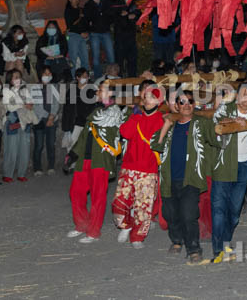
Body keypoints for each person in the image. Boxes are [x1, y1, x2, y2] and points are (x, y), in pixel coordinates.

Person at [202, 81, 247, 262]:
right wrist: (228, 122)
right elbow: (213, 127)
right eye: (243, 94)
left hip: (244, 167)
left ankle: (226, 240)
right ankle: (218, 248)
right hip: (223, 166)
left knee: (235, 211)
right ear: (236, 96)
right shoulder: (225, 110)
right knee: (218, 209)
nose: (246, 98)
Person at [151, 88, 210, 264]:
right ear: (176, 105)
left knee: (189, 214)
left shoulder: (201, 123)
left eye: (190, 102)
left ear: (194, 105)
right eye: (182, 102)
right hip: (169, 178)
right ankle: (176, 241)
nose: (186, 105)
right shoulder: (170, 125)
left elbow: (216, 136)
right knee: (171, 214)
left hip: (190, 178)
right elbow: (156, 144)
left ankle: (193, 248)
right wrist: (166, 126)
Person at [67, 81, 127, 243]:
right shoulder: (96, 111)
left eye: (101, 90)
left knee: (97, 196)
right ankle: (82, 224)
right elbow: (84, 135)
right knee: (75, 192)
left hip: (101, 159)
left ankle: (94, 232)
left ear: (111, 94)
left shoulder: (114, 113)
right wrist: (73, 153)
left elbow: (108, 126)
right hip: (85, 159)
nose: (97, 93)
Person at [113, 79, 166, 248]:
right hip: (128, 167)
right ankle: (125, 226)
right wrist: (135, 117)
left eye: (152, 97)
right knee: (119, 203)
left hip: (148, 170)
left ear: (159, 101)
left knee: (143, 207)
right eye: (146, 96)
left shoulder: (162, 120)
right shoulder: (136, 116)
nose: (147, 99)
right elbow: (125, 132)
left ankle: (137, 237)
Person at [1, 69, 36, 182]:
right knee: (11, 148)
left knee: (24, 149)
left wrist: (22, 104)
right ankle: (8, 174)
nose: (18, 79)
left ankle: (21, 173)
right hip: (13, 120)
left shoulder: (25, 89)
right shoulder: (6, 90)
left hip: (25, 121)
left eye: (19, 77)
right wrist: (23, 104)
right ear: (10, 79)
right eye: (15, 77)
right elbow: (10, 107)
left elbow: (30, 103)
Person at [31, 68, 60, 176]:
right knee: (38, 145)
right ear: (40, 74)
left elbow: (56, 104)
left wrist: (52, 117)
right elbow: (35, 106)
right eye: (45, 73)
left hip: (52, 120)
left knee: (51, 144)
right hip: (39, 120)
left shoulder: (54, 87)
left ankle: (51, 166)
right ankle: (37, 168)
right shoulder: (34, 88)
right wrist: (48, 116)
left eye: (49, 73)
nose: (48, 75)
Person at [84, 0, 115, 79]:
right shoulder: (88, 5)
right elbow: (87, 19)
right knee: (96, 57)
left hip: (106, 31)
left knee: (111, 55)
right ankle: (98, 78)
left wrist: (108, 22)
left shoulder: (106, 1)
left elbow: (112, 14)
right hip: (94, 33)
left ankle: (113, 76)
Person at [114, 0, 141, 76]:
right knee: (120, 64)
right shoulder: (118, 6)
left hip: (131, 39)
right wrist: (127, 17)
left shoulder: (134, 6)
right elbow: (118, 19)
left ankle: (132, 83)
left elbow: (138, 15)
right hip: (120, 40)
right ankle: (119, 83)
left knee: (132, 63)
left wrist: (128, 15)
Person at [64, 0, 91, 72]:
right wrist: (80, 33)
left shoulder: (81, 10)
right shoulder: (68, 10)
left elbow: (87, 23)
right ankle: (72, 78)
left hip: (83, 36)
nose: (75, 0)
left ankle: (84, 77)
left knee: (85, 58)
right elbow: (70, 25)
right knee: (73, 58)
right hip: (73, 36)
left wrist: (87, 32)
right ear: (70, 0)